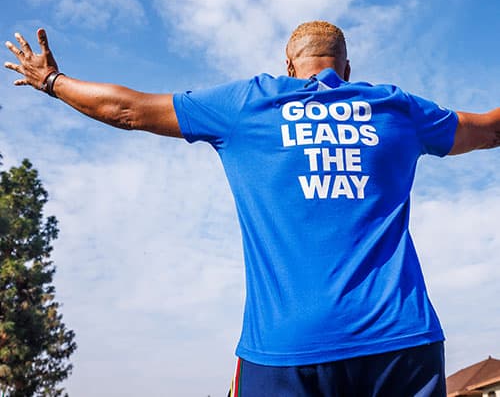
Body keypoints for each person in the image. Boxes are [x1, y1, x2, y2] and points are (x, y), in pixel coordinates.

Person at [4, 22, 499, 397]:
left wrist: (52, 80)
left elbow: (128, 110)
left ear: (289, 68)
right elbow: (490, 129)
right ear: (346, 70)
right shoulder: (397, 108)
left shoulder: (248, 104)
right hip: (401, 340)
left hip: (285, 348)